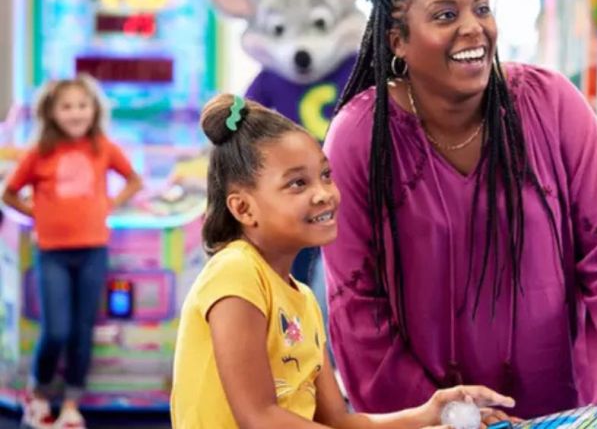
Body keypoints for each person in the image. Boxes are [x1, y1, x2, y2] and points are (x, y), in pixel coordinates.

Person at [323, 0, 597, 421]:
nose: (473, 27)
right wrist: (447, 417)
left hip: (560, 408)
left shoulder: (551, 105)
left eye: (482, 8)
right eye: (446, 15)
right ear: (398, 42)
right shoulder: (360, 137)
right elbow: (357, 304)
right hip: (434, 419)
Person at [170, 94, 514, 429]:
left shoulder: (303, 300)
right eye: (297, 183)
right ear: (243, 208)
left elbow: (339, 421)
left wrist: (431, 412)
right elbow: (259, 418)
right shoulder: (236, 272)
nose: (324, 194)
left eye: (325, 175)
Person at [2, 75, 143, 429]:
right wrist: (40, 215)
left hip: (94, 249)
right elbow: (9, 192)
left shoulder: (103, 147)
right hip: (52, 252)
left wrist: (109, 204)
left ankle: (71, 403)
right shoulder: (39, 153)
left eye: (82, 105)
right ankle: (37, 396)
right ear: (51, 112)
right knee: (57, 331)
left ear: (94, 109)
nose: (76, 113)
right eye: (67, 106)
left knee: (82, 331)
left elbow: (134, 180)